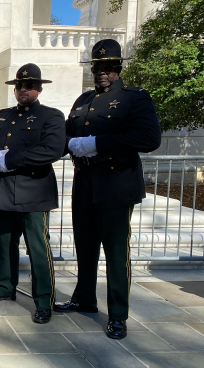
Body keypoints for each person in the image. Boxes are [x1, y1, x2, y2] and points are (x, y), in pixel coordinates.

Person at [54, 39, 161, 339]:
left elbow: (149, 138)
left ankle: (117, 315)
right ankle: (84, 298)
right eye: (98, 67)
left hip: (116, 185)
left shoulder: (134, 98)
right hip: (85, 184)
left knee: (115, 253)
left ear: (119, 67)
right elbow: (65, 136)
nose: (102, 73)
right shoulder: (83, 100)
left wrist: (98, 143)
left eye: (108, 67)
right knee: (84, 248)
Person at [0, 63, 65, 325]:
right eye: (19, 86)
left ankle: (43, 300)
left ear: (39, 89)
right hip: (4, 190)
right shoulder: (2, 116)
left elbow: (52, 150)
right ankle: (5, 287)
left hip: (35, 191)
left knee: (38, 248)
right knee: (5, 243)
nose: (23, 90)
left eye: (29, 86)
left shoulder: (51, 116)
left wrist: (12, 159)